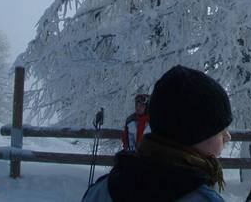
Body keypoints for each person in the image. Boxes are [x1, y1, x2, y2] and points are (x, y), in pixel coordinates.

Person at [82, 65, 232, 201]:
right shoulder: (203, 199)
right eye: (220, 131)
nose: (228, 137)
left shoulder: (101, 191)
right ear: (193, 134)